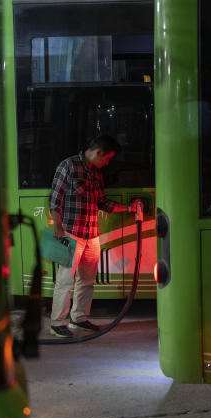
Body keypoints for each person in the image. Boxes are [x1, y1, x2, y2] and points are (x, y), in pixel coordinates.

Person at [48, 135, 140, 338]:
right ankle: (57, 323)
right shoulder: (69, 166)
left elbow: (102, 202)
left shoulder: (96, 173)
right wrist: (57, 225)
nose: (107, 163)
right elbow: (55, 198)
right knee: (65, 280)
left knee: (87, 281)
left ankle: (79, 318)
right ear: (99, 152)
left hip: (92, 234)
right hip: (71, 233)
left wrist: (127, 208)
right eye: (107, 158)